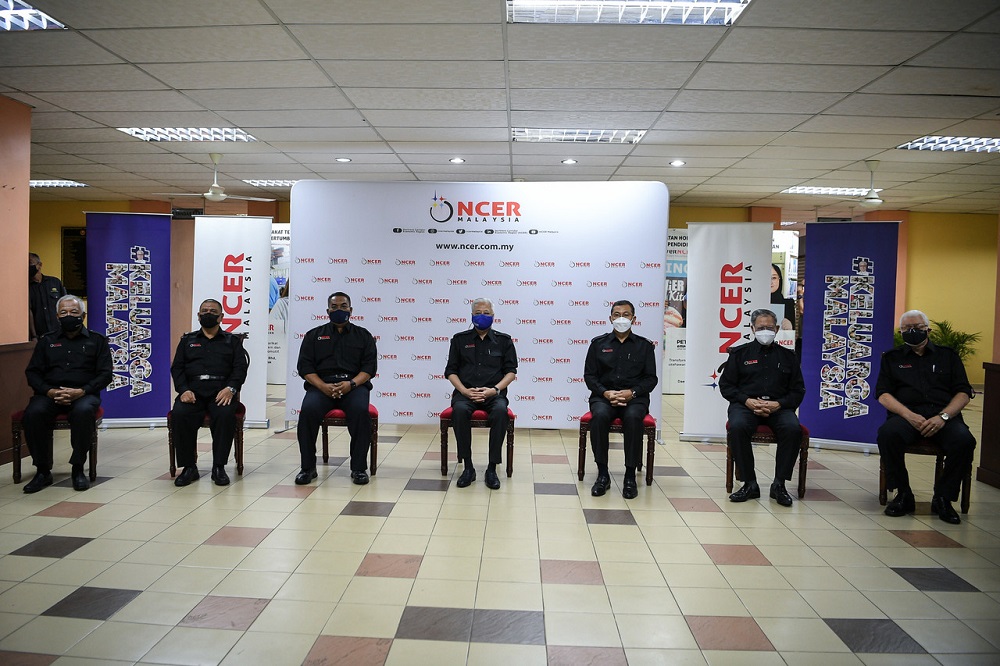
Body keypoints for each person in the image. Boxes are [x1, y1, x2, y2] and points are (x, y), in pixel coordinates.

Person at [876, 310, 976, 524]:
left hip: (943, 417)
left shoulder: (948, 356)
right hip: (907, 416)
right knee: (887, 434)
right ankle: (903, 494)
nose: (912, 332)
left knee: (964, 441)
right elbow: (883, 394)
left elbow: (963, 392)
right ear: (901, 332)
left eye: (918, 328)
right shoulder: (892, 359)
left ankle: (943, 498)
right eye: (907, 329)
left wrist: (944, 417)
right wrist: (909, 416)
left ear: (928, 330)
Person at [22, 295, 112, 493]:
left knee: (83, 412)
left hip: (84, 394)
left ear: (83, 315)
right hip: (50, 394)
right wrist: (50, 391)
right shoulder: (47, 341)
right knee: (33, 413)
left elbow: (105, 374)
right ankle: (42, 470)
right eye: (64, 312)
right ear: (57, 316)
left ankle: (78, 468)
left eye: (74, 312)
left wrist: (82, 391)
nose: (68, 315)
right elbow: (33, 373)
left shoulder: (97, 341)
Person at [719, 308, 805, 507]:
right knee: (738, 427)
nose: (765, 331)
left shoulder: (788, 356)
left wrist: (779, 404)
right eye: (760, 327)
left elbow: (798, 390)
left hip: (779, 407)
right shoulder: (739, 354)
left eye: (769, 327)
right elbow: (727, 386)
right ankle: (749, 484)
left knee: (793, 429)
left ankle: (779, 485)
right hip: (746, 405)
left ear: (776, 329)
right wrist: (747, 400)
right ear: (752, 328)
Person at [295, 292, 377, 485]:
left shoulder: (363, 336)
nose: (339, 310)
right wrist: (323, 386)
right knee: (307, 412)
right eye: (334, 307)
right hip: (321, 387)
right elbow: (305, 368)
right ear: (327, 311)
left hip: (354, 387)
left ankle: (358, 468)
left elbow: (369, 368)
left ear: (351, 309)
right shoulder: (313, 335)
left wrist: (351, 384)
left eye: (343, 306)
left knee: (360, 412)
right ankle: (307, 468)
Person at [583, 300, 658, 499]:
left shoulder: (645, 346)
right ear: (610, 318)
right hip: (603, 397)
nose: (621, 318)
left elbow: (651, 378)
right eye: (617, 314)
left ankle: (629, 475)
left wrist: (632, 392)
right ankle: (603, 474)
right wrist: (606, 393)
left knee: (634, 418)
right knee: (598, 416)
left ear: (634, 318)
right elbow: (590, 376)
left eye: (626, 314)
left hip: (634, 398)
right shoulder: (598, 344)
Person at [169, 299, 249, 487]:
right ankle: (189, 467)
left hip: (221, 392)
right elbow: (177, 368)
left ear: (221, 317)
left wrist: (231, 389)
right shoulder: (187, 341)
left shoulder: (232, 341)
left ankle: (218, 467)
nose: (208, 314)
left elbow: (240, 369)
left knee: (224, 414)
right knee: (180, 414)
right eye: (204, 311)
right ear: (198, 316)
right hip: (193, 393)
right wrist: (183, 390)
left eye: (213, 311)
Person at [444, 297, 517, 490]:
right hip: (465, 393)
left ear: (493, 316)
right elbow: (450, 371)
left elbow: (511, 372)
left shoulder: (504, 340)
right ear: (471, 316)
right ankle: (468, 467)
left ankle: (492, 468)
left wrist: (494, 390)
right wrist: (464, 391)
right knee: (459, 411)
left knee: (501, 412)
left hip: (493, 394)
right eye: (478, 313)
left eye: (486, 313)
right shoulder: (459, 340)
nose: (482, 316)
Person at [28, 252, 67, 340]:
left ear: (40, 265)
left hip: (59, 333)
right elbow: (28, 311)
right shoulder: (26, 287)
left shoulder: (54, 282)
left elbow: (65, 304)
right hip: (40, 336)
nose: (28, 266)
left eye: (30, 263)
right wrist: (34, 336)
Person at [770, 263, 796, 331]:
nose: (770, 282)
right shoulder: (754, 302)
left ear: (779, 279)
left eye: (774, 278)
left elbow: (792, 336)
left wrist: (790, 327)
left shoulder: (788, 304)